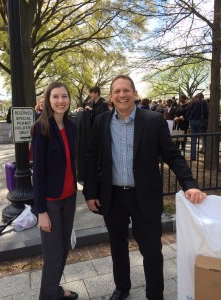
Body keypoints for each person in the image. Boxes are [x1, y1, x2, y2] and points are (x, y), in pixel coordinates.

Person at [83, 75, 206, 300]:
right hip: (113, 196)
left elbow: (172, 155)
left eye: (126, 90)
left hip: (144, 196)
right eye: (117, 91)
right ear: (111, 96)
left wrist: (189, 184)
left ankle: (155, 294)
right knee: (117, 246)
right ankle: (122, 287)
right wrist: (90, 193)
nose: (122, 95)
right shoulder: (101, 121)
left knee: (151, 250)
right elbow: (92, 158)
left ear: (135, 93)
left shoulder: (152, 120)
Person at [31, 82, 78, 300]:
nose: (61, 101)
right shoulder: (42, 128)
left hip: (69, 197)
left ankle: (54, 291)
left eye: (64, 96)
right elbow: (38, 172)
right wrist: (40, 211)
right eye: (55, 97)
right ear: (48, 100)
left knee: (63, 249)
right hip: (50, 201)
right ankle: (48, 296)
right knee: (53, 254)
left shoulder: (70, 125)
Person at [186, 93, 209, 160]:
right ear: (202, 97)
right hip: (201, 121)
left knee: (194, 139)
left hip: (192, 121)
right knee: (204, 138)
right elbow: (206, 113)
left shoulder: (192, 102)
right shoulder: (203, 102)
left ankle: (193, 156)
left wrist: (190, 119)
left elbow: (187, 113)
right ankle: (207, 155)